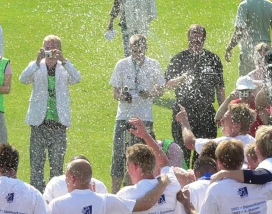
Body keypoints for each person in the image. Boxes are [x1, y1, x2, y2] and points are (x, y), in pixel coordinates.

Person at [21, 35, 82, 192]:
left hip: (59, 123)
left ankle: (54, 199)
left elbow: (77, 78)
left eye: (52, 48)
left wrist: (64, 60)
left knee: (57, 167)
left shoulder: (64, 68)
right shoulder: (36, 66)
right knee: (36, 166)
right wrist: (36, 62)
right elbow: (23, 79)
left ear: (59, 50)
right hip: (38, 122)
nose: (48, 51)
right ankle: (36, 198)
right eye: (46, 47)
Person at [109, 34, 165, 192]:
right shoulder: (122, 64)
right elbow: (115, 93)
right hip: (124, 117)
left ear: (145, 48)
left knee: (142, 156)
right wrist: (123, 96)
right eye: (134, 48)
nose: (137, 51)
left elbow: (160, 90)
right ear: (130, 48)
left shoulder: (154, 64)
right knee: (119, 156)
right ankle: (114, 192)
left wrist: (150, 93)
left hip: (144, 117)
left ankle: (138, 191)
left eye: (140, 48)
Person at [165, 25, 225, 165]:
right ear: (188, 37)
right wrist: (181, 78)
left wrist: (222, 111)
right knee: (182, 154)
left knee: (205, 155)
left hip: (206, 113)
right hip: (183, 112)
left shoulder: (213, 59)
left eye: (199, 35)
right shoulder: (179, 58)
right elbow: (167, 84)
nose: (196, 38)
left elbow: (220, 89)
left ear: (203, 39)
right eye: (194, 34)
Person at [225, 0, 272, 76]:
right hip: (265, 49)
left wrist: (229, 47)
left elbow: (239, 31)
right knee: (265, 80)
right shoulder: (269, 4)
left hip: (249, 50)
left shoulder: (244, 5)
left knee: (246, 82)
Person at [176, 102, 256, 158]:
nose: (221, 121)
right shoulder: (255, 143)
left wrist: (184, 120)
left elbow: (190, 143)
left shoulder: (227, 143)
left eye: (225, 119)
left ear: (237, 126)